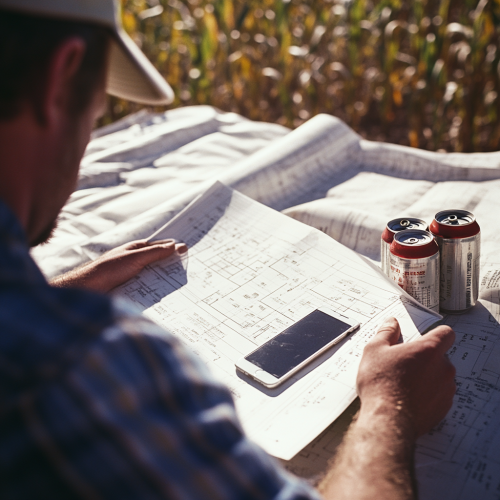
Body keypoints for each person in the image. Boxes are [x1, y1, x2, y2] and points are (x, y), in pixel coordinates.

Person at [0, 1, 456, 499]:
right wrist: (390, 408)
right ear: (59, 82)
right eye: (96, 115)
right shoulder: (82, 368)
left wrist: (50, 294)